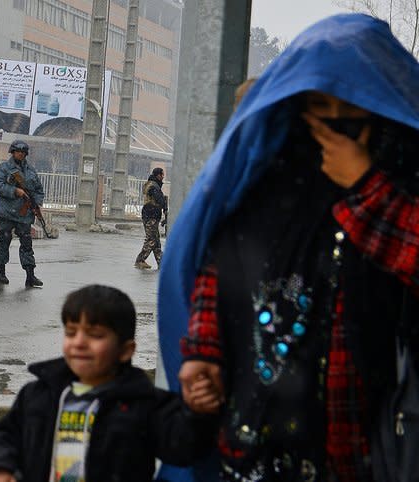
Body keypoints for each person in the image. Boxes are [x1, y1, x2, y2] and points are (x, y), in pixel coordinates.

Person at [156, 14, 419, 482]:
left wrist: (368, 189)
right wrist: (202, 352)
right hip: (253, 450)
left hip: (369, 451)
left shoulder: (404, 186)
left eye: (353, 104)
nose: (335, 122)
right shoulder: (263, 182)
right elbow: (219, 267)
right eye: (318, 104)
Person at [0, 284, 218, 482]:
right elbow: (4, 435)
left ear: (126, 351)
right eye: (71, 332)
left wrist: (198, 414)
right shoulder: (38, 394)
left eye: (95, 335)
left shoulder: (145, 404)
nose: (79, 342)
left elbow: (184, 448)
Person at [0, 140, 45, 287]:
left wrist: (36, 203)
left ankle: (30, 276)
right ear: (12, 152)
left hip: (24, 213)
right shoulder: (5, 168)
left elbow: (39, 190)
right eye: (18, 152)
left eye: (23, 152)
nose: (20, 154)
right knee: (5, 241)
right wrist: (15, 191)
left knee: (27, 244)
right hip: (7, 211)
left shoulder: (31, 171)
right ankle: (0, 273)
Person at [134, 167, 168, 269]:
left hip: (152, 215)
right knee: (152, 239)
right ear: (158, 175)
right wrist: (165, 203)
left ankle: (161, 263)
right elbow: (159, 200)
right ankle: (140, 260)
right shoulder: (153, 186)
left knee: (156, 240)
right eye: (162, 175)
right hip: (150, 215)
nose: (163, 177)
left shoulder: (155, 185)